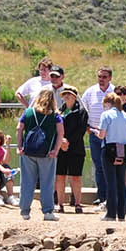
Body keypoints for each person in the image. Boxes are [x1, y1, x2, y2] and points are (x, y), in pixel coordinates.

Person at [15, 88, 61, 220]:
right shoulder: (55, 115)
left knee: (27, 182)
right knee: (47, 183)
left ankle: (24, 211)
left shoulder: (28, 112)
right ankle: (47, 211)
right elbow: (61, 132)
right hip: (47, 153)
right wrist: (56, 150)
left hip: (28, 151)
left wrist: (19, 146)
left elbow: (19, 128)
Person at [80, 66, 115, 210]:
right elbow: (83, 110)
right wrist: (87, 128)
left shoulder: (114, 92)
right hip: (94, 134)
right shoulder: (90, 92)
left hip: (110, 135)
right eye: (100, 76)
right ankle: (102, 197)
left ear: (110, 78)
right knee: (98, 166)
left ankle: (111, 197)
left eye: (104, 77)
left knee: (111, 166)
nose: (101, 79)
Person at [96, 89, 126, 221]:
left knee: (110, 182)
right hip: (122, 149)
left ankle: (111, 213)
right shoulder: (125, 115)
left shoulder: (106, 115)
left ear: (108, 103)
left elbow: (102, 134)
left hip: (109, 149)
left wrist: (96, 132)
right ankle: (121, 213)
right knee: (120, 182)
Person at [55, 85, 87, 213]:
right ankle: (60, 204)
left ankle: (78, 204)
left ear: (75, 97)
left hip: (76, 148)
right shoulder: (59, 111)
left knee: (75, 177)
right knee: (60, 176)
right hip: (61, 148)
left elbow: (81, 129)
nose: (66, 96)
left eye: (69, 94)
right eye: (64, 95)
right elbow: (55, 128)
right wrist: (61, 140)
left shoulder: (81, 112)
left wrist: (68, 141)